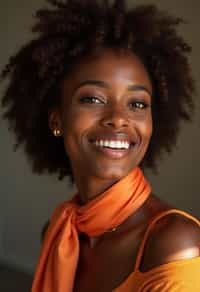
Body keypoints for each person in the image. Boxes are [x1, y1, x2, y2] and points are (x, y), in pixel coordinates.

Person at [1, 0, 200, 291]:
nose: (119, 119)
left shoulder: (173, 244)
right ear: (57, 119)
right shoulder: (59, 234)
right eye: (93, 99)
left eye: (137, 103)